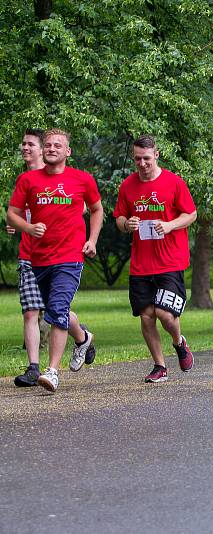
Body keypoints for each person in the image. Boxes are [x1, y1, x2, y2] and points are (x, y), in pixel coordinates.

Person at [6, 128, 102, 392]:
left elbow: (96, 208)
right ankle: (83, 339)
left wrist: (92, 240)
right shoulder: (28, 180)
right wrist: (28, 228)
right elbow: (11, 214)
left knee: (57, 309)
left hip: (70, 257)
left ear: (68, 151)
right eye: (47, 145)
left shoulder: (82, 180)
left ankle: (52, 371)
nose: (51, 148)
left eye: (57, 145)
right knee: (51, 310)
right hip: (38, 259)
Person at [113, 135, 197, 383]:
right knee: (147, 315)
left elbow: (191, 214)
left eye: (146, 159)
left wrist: (170, 225)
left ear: (157, 155)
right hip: (141, 263)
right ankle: (159, 366)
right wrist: (127, 224)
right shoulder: (128, 185)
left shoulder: (173, 182)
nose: (142, 164)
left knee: (164, 314)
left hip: (170, 260)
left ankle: (179, 342)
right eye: (137, 159)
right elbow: (119, 218)